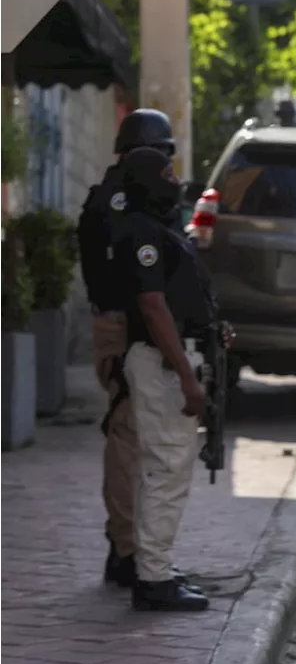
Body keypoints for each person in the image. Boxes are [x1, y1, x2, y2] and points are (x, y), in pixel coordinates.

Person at [77, 109, 197, 593]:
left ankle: (135, 549)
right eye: (162, 157)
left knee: (141, 440)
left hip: (138, 325)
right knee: (128, 438)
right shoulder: (120, 203)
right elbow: (138, 282)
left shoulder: (113, 197)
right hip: (127, 325)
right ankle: (127, 551)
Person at [111, 146, 229, 611]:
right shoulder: (141, 232)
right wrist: (186, 377)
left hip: (174, 359)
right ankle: (153, 580)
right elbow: (153, 306)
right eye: (164, 172)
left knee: (161, 469)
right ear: (144, 180)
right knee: (166, 470)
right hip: (163, 365)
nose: (174, 178)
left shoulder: (160, 229)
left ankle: (153, 566)